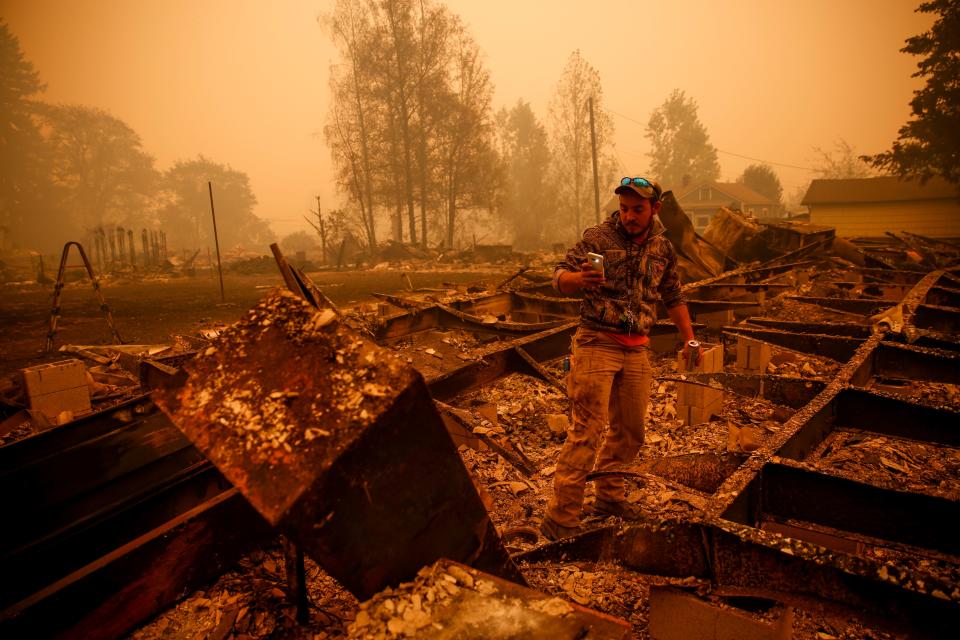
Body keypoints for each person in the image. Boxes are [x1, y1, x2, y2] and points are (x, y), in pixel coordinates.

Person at [541, 176, 700, 541]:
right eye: (624, 208)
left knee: (630, 431)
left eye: (637, 209)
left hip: (637, 347)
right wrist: (577, 280)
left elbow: (673, 295)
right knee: (588, 430)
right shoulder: (597, 237)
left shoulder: (662, 246)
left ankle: (609, 498)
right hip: (597, 341)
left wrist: (690, 340)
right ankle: (560, 518)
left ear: (654, 209)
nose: (628, 216)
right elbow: (557, 276)